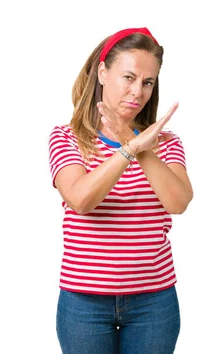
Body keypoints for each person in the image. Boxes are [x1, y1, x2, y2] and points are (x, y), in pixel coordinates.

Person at [49, 27, 193, 353]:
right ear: (102, 72)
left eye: (148, 82)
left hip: (154, 301)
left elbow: (179, 201)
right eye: (128, 77)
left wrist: (141, 147)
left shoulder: (166, 144)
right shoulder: (66, 138)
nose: (137, 92)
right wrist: (127, 149)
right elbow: (81, 199)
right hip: (84, 303)